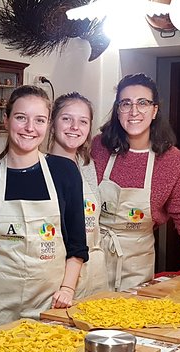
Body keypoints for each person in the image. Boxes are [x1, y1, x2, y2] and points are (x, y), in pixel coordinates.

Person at [91, 73, 180, 292]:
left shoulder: (171, 161)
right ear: (118, 110)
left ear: (155, 110)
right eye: (126, 104)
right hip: (92, 259)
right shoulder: (99, 147)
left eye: (143, 103)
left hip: (137, 267)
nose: (134, 111)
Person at [0, 85, 88, 330]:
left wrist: (67, 289)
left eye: (39, 120)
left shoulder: (64, 172)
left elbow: (78, 245)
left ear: (48, 125)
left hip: (50, 300)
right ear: (6, 120)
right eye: (20, 118)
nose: (30, 128)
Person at [47, 92, 107, 299]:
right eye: (66, 119)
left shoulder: (88, 167)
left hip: (95, 275)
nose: (75, 127)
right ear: (52, 123)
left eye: (83, 121)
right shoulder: (40, 167)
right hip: (58, 279)